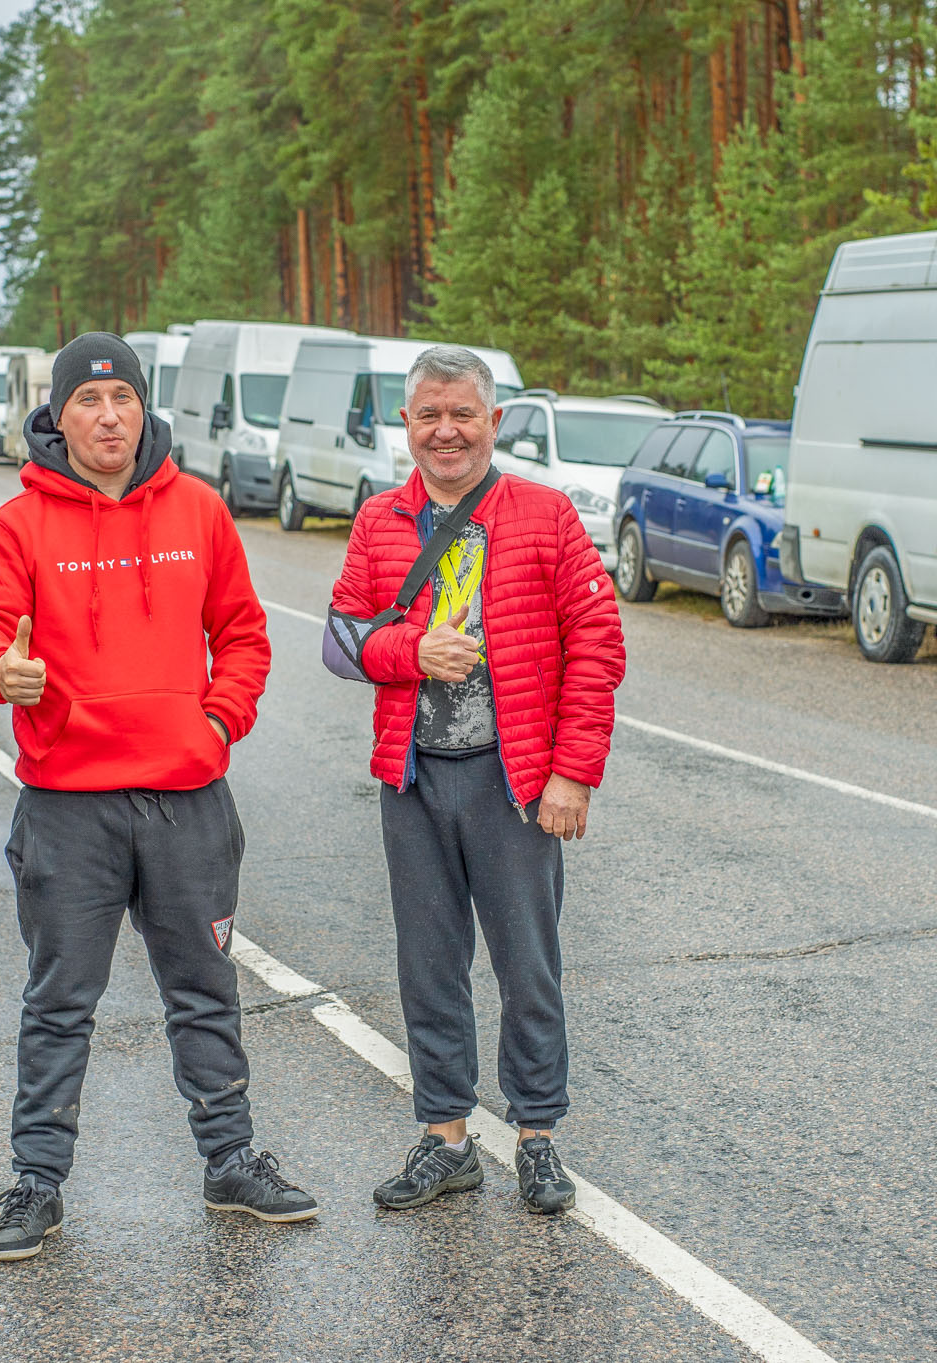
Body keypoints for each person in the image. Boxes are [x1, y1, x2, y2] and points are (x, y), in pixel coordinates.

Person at [0, 332, 319, 1264]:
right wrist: (5, 669)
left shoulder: (197, 511)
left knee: (202, 988)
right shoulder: (18, 525)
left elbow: (242, 634)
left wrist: (217, 723)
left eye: (122, 401)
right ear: (60, 413)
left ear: (143, 409)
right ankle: (37, 1181)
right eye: (87, 402)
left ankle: (230, 1159)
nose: (107, 417)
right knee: (58, 999)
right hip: (67, 806)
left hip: (186, 798)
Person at [323, 345, 624, 1216]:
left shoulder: (544, 515)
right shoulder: (380, 519)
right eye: (428, 415)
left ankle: (537, 1136)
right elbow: (340, 641)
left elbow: (597, 645)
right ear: (406, 425)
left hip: (514, 780)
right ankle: (446, 1139)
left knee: (527, 966)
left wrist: (572, 772)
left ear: (494, 422)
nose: (445, 431)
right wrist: (407, 651)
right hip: (413, 779)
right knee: (429, 966)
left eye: (462, 414)